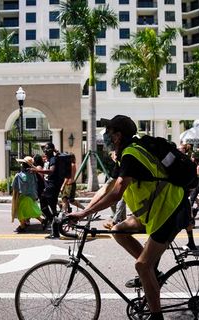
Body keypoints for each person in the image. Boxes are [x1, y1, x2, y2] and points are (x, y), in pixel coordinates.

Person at [68, 115, 191, 320]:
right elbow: (107, 188)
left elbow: (117, 192)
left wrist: (84, 213)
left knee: (142, 265)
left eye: (108, 132)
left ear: (117, 135)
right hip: (155, 212)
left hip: (171, 210)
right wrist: (83, 212)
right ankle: (154, 274)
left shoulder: (131, 155)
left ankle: (156, 316)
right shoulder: (126, 154)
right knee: (117, 230)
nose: (105, 136)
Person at [31, 142, 65, 238]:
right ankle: (55, 226)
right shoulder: (50, 159)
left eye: (46, 149)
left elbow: (51, 171)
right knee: (46, 207)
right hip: (50, 186)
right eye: (43, 149)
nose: (44, 151)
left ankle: (56, 230)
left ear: (50, 150)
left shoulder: (53, 159)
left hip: (53, 186)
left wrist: (37, 170)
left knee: (50, 207)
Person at [11, 156, 45, 233]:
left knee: (20, 212)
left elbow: (16, 187)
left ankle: (22, 226)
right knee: (31, 211)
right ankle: (42, 221)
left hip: (24, 197)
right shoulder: (33, 174)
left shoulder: (19, 176)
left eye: (22, 164)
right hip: (32, 196)